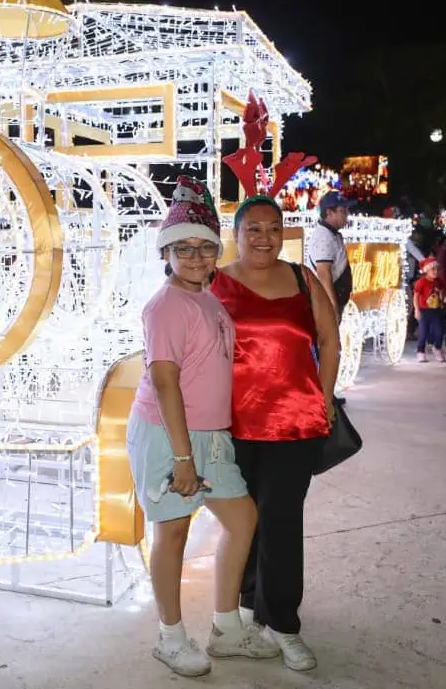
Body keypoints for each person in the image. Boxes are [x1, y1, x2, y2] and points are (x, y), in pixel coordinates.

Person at [128, 177, 279, 677]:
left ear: (216, 250)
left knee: (242, 520)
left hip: (211, 437)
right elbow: (166, 383)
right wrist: (182, 456)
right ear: (166, 252)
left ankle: (225, 629)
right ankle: (169, 637)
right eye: (183, 248)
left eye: (204, 247)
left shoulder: (206, 298)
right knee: (171, 533)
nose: (195, 256)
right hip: (171, 436)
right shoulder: (166, 304)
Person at [210, 195, 339, 672]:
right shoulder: (215, 281)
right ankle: (247, 605)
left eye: (273, 228)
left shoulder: (302, 279)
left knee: (281, 525)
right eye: (254, 229)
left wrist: (324, 396)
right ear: (237, 234)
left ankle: (282, 623)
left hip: (294, 424)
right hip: (231, 426)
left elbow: (329, 338)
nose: (265, 237)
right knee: (244, 523)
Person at [306, 190, 355, 323]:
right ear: (329, 212)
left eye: (346, 210)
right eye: (342, 211)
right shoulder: (324, 237)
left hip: (328, 302)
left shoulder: (332, 234)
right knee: (327, 342)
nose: (346, 215)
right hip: (324, 305)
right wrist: (333, 307)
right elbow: (324, 274)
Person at [413, 256, 446, 363]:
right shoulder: (421, 282)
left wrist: (443, 298)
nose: (436, 272)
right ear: (426, 270)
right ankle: (420, 352)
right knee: (423, 333)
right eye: (433, 269)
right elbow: (416, 296)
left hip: (436, 311)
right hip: (424, 311)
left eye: (437, 269)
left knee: (439, 332)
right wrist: (417, 310)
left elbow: (443, 290)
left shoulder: (439, 281)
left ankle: (437, 348)